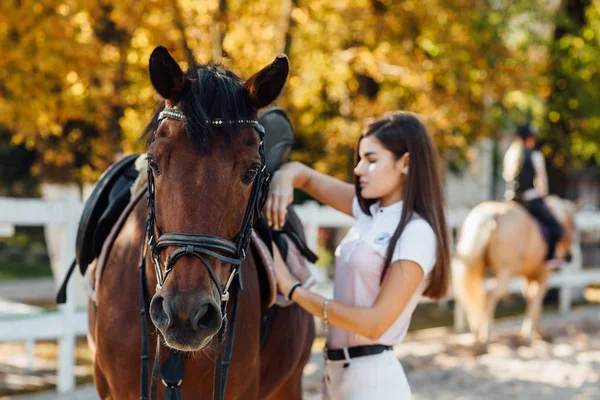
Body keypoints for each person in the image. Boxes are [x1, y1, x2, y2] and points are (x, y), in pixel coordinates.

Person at [264, 111, 450, 399]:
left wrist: (293, 289)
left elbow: (374, 324)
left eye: (372, 160)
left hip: (372, 380)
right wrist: (283, 180)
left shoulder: (416, 233)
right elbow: (306, 177)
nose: (359, 169)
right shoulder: (370, 214)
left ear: (406, 163)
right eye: (361, 158)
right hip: (337, 374)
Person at [502, 124, 563, 263]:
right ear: (529, 139)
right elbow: (542, 183)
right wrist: (544, 197)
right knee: (556, 227)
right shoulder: (534, 156)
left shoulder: (510, 155)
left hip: (512, 200)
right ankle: (550, 257)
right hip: (530, 200)